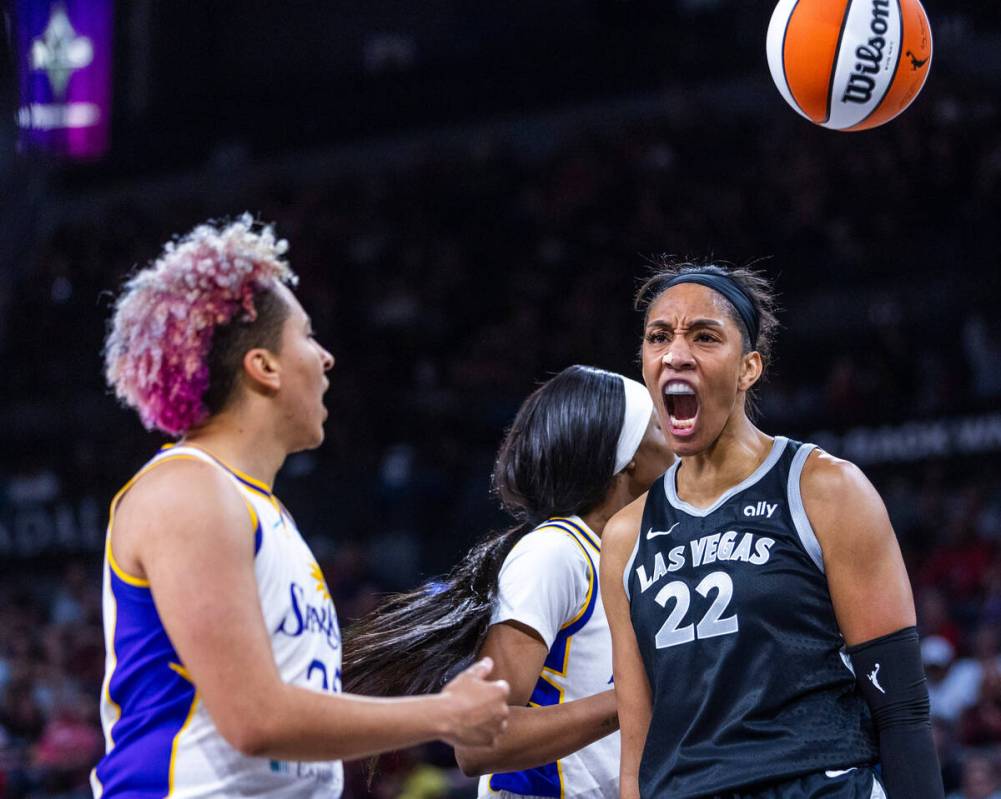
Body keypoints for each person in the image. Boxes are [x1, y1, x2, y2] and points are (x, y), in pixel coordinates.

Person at [94, 216, 509, 797]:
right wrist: (442, 713)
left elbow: (294, 710)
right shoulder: (188, 490)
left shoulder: (261, 510)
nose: (327, 358)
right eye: (308, 336)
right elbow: (257, 720)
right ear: (262, 366)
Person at [600, 262, 944, 799]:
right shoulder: (626, 535)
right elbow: (637, 749)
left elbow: (900, 705)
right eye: (658, 337)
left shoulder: (825, 489)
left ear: (748, 369)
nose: (675, 353)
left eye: (705, 337)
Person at [342, 365, 674, 799]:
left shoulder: (625, 558)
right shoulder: (554, 553)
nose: (673, 435)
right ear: (626, 452)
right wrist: (630, 699)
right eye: (655, 423)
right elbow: (480, 742)